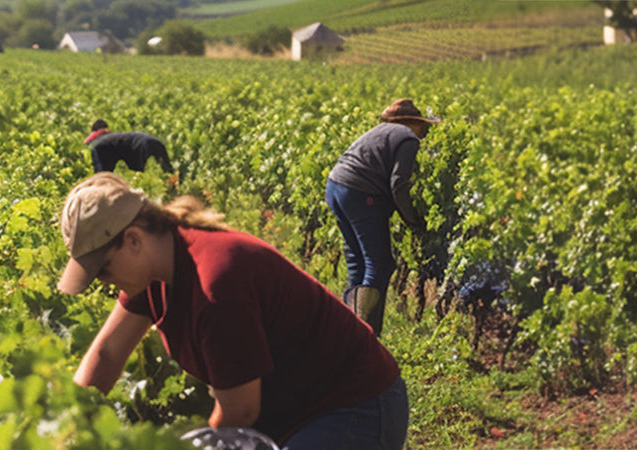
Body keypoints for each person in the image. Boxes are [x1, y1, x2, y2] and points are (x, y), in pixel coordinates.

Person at [57, 173, 407, 449]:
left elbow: (241, 411)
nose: (104, 282)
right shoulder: (156, 271)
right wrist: (60, 429)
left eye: (103, 269)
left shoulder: (215, 285)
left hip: (352, 407)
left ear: (133, 240)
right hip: (291, 415)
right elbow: (106, 354)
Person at [325, 98, 439, 336]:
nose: (426, 132)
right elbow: (398, 185)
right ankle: (368, 337)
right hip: (360, 193)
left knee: (357, 259)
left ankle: (352, 331)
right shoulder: (408, 139)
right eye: (424, 126)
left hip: (335, 187)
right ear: (412, 123)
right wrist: (412, 218)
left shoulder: (381, 131)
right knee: (380, 263)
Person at [84, 119, 173, 174]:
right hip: (155, 143)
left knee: (103, 179)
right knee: (166, 172)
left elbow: (102, 173)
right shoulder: (114, 138)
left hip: (140, 146)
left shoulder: (98, 144)